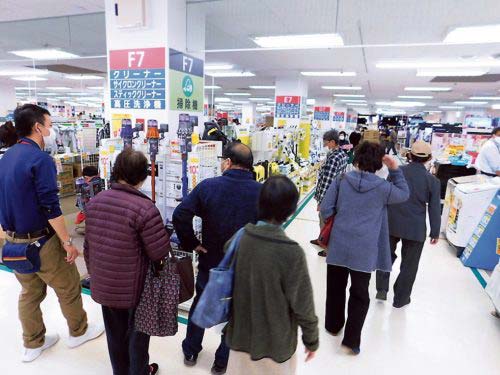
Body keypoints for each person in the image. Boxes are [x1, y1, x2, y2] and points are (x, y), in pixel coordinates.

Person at [0, 104, 104, 363]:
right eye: (48, 124)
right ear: (38, 127)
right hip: (41, 241)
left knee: (29, 293)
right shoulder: (40, 160)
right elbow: (50, 207)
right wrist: (67, 242)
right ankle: (78, 331)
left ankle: (33, 343)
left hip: (12, 242)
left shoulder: (7, 157)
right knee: (68, 286)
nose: (51, 130)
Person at [173, 142, 262, 375]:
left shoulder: (208, 187)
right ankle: (221, 361)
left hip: (211, 261)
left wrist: (193, 243)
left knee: (201, 303)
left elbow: (180, 215)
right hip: (244, 264)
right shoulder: (261, 192)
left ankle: (191, 350)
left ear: (228, 162)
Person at [84, 149, 170, 375]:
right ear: (143, 177)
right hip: (135, 289)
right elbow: (158, 252)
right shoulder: (145, 208)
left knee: (114, 334)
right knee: (137, 337)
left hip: (103, 283)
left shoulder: (95, 202)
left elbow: (88, 246)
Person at [320, 142, 409, 354]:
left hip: (339, 245)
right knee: (360, 294)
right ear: (379, 164)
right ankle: (351, 340)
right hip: (365, 248)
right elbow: (404, 194)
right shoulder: (384, 188)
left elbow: (326, 208)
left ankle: (333, 326)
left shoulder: (341, 180)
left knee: (335, 288)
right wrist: (395, 169)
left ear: (356, 158)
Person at [225, 176, 319, 375]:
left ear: (259, 203)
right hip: (276, 345)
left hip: (240, 338)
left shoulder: (240, 238)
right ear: (291, 211)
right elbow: (303, 304)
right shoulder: (291, 252)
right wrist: (311, 339)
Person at [376, 141, 441, 308]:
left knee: (386, 255)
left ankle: (382, 289)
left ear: (409, 155)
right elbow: (434, 208)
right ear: (429, 158)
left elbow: (388, 193)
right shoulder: (432, 181)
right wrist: (435, 232)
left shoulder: (398, 172)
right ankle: (401, 299)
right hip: (415, 226)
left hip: (392, 221)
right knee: (410, 264)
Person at [311, 130, 348, 256]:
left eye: (326, 143)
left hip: (328, 197)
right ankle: (321, 239)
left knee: (326, 221)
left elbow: (327, 181)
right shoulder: (342, 154)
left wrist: (321, 201)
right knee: (326, 221)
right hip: (337, 194)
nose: (325, 146)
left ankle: (327, 248)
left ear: (333, 142)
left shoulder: (333, 158)